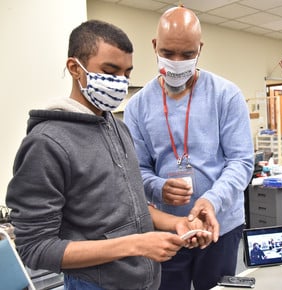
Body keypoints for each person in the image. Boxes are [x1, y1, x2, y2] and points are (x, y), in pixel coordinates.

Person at [6, 20, 219, 290]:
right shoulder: (46, 143)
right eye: (110, 71)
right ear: (75, 68)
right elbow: (36, 248)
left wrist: (177, 223)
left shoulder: (118, 128)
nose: (120, 82)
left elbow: (133, 206)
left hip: (145, 280)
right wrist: (136, 244)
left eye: (126, 74)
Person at [123, 6, 254, 290]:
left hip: (220, 224)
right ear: (155, 46)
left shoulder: (226, 95)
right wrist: (158, 186)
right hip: (168, 227)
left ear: (200, 49)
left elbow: (241, 162)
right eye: (168, 54)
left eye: (187, 55)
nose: (177, 62)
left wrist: (212, 201)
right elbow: (138, 170)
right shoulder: (137, 107)